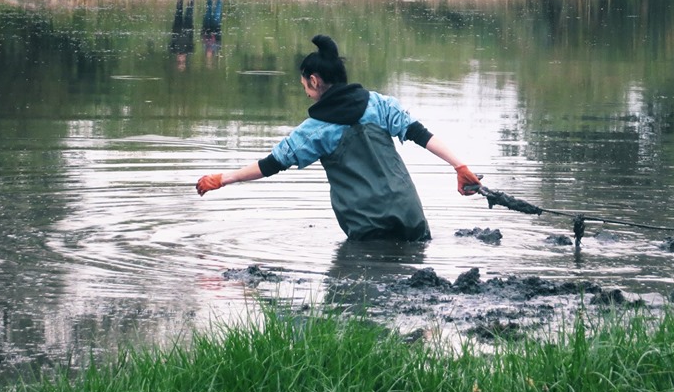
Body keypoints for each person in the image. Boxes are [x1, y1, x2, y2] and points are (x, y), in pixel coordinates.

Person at [195, 34, 482, 241]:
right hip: (410, 214)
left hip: (368, 223)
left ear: (315, 81)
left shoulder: (315, 130)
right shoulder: (380, 105)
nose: (306, 92)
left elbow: (270, 165)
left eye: (305, 86)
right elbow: (423, 135)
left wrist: (224, 178)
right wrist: (460, 166)